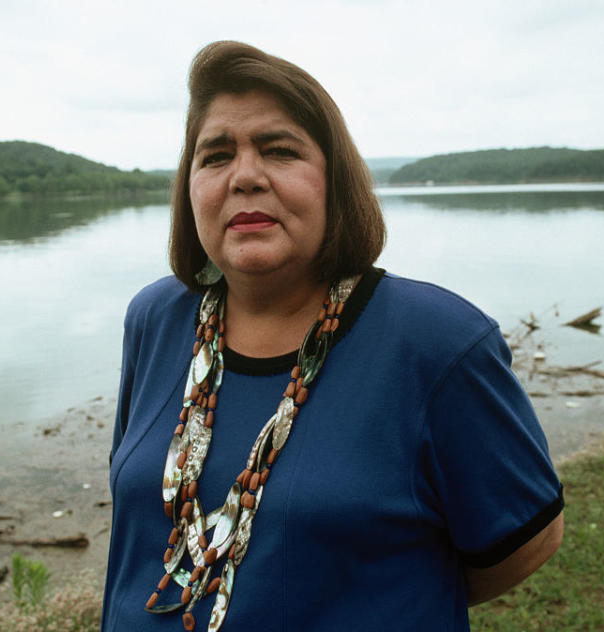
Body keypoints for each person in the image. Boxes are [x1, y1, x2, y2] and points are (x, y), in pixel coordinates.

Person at [102, 41, 563, 632]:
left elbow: (526, 543)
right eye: (215, 156)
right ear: (189, 186)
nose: (245, 176)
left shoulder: (439, 343)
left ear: (335, 180)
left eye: (279, 150)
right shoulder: (155, 319)